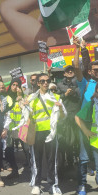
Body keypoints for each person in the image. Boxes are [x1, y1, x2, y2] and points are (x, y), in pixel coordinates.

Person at [27, 73, 66, 195]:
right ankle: (37, 184)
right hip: (36, 132)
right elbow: (26, 117)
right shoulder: (31, 98)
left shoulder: (56, 97)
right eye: (42, 81)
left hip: (51, 133)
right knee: (36, 159)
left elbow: (64, 116)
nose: (45, 83)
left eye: (47, 81)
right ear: (38, 83)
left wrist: (60, 108)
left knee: (52, 160)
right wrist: (23, 105)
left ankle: (52, 185)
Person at [73, 36, 98, 195]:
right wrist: (78, 48)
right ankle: (81, 184)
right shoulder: (87, 84)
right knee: (83, 158)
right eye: (95, 70)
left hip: (96, 128)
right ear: (90, 71)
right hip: (83, 127)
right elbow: (76, 67)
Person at [56, 65, 81, 177]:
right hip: (65, 117)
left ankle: (81, 163)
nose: (70, 72)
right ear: (64, 74)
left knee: (78, 141)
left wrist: (74, 92)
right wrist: (65, 95)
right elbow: (56, 98)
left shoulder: (79, 82)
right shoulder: (60, 85)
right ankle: (68, 163)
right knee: (67, 141)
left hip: (77, 115)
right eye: (67, 71)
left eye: (71, 70)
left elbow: (82, 97)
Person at [75, 84, 98, 193]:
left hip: (96, 140)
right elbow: (77, 117)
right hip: (86, 135)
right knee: (84, 160)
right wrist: (86, 131)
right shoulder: (92, 103)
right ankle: (82, 185)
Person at [4, 78, 24, 179]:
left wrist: (20, 97)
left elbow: (25, 109)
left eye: (18, 85)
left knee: (27, 149)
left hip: (22, 127)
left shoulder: (23, 96)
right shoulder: (6, 97)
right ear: (11, 86)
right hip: (10, 128)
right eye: (14, 85)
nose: (16, 87)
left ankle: (32, 170)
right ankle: (14, 170)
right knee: (9, 150)